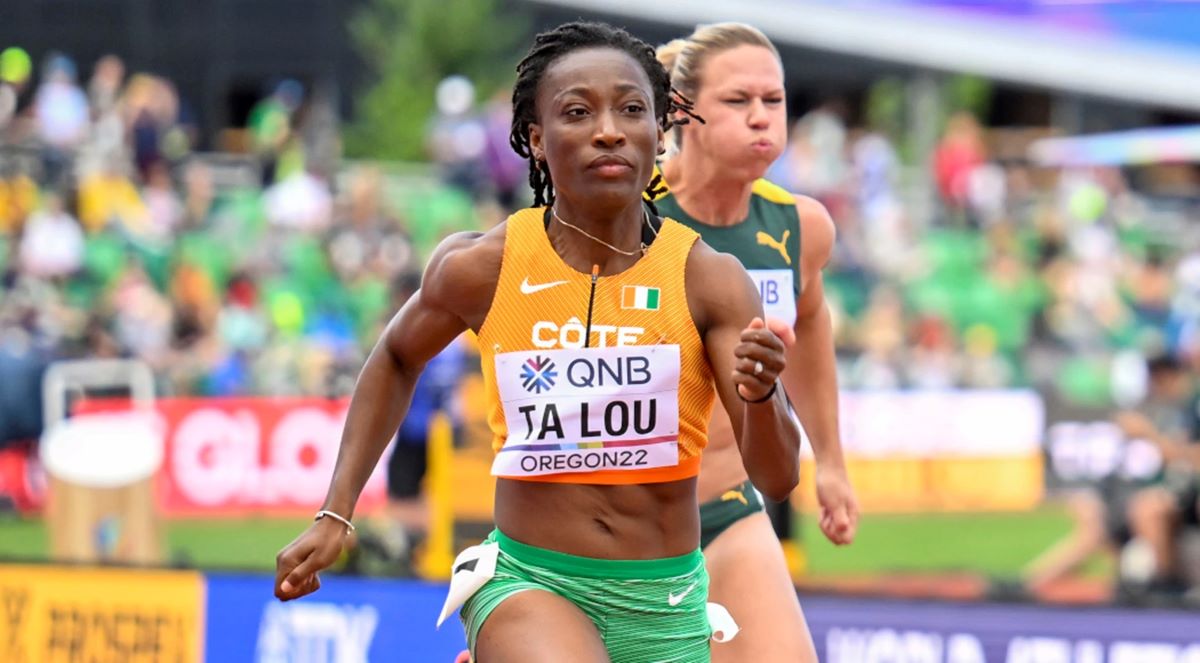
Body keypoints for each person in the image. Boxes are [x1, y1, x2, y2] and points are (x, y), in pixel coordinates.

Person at [274, 21, 802, 662]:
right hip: (529, 581)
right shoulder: (483, 266)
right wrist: (337, 512)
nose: (608, 129)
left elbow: (776, 478)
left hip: (664, 600)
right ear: (536, 141)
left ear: (659, 133)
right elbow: (395, 355)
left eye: (632, 110)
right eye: (577, 112)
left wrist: (762, 392)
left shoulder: (710, 282)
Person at [654, 23, 859, 662]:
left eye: (774, 101)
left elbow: (812, 324)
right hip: (614, 534)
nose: (762, 120)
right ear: (682, 111)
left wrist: (829, 459)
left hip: (728, 512)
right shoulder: (625, 216)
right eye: (738, 102)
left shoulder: (801, 227)